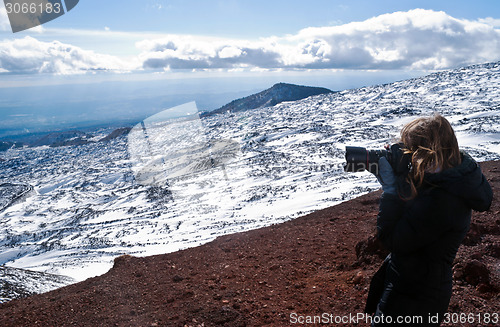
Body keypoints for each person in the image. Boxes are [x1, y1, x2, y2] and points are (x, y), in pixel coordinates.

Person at [368, 114, 493, 326]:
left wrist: (390, 190)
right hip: (413, 284)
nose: (408, 157)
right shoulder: (447, 180)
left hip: (415, 295)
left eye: (411, 151)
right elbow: (415, 208)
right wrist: (400, 177)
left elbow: (391, 239)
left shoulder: (444, 201)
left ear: (428, 153)